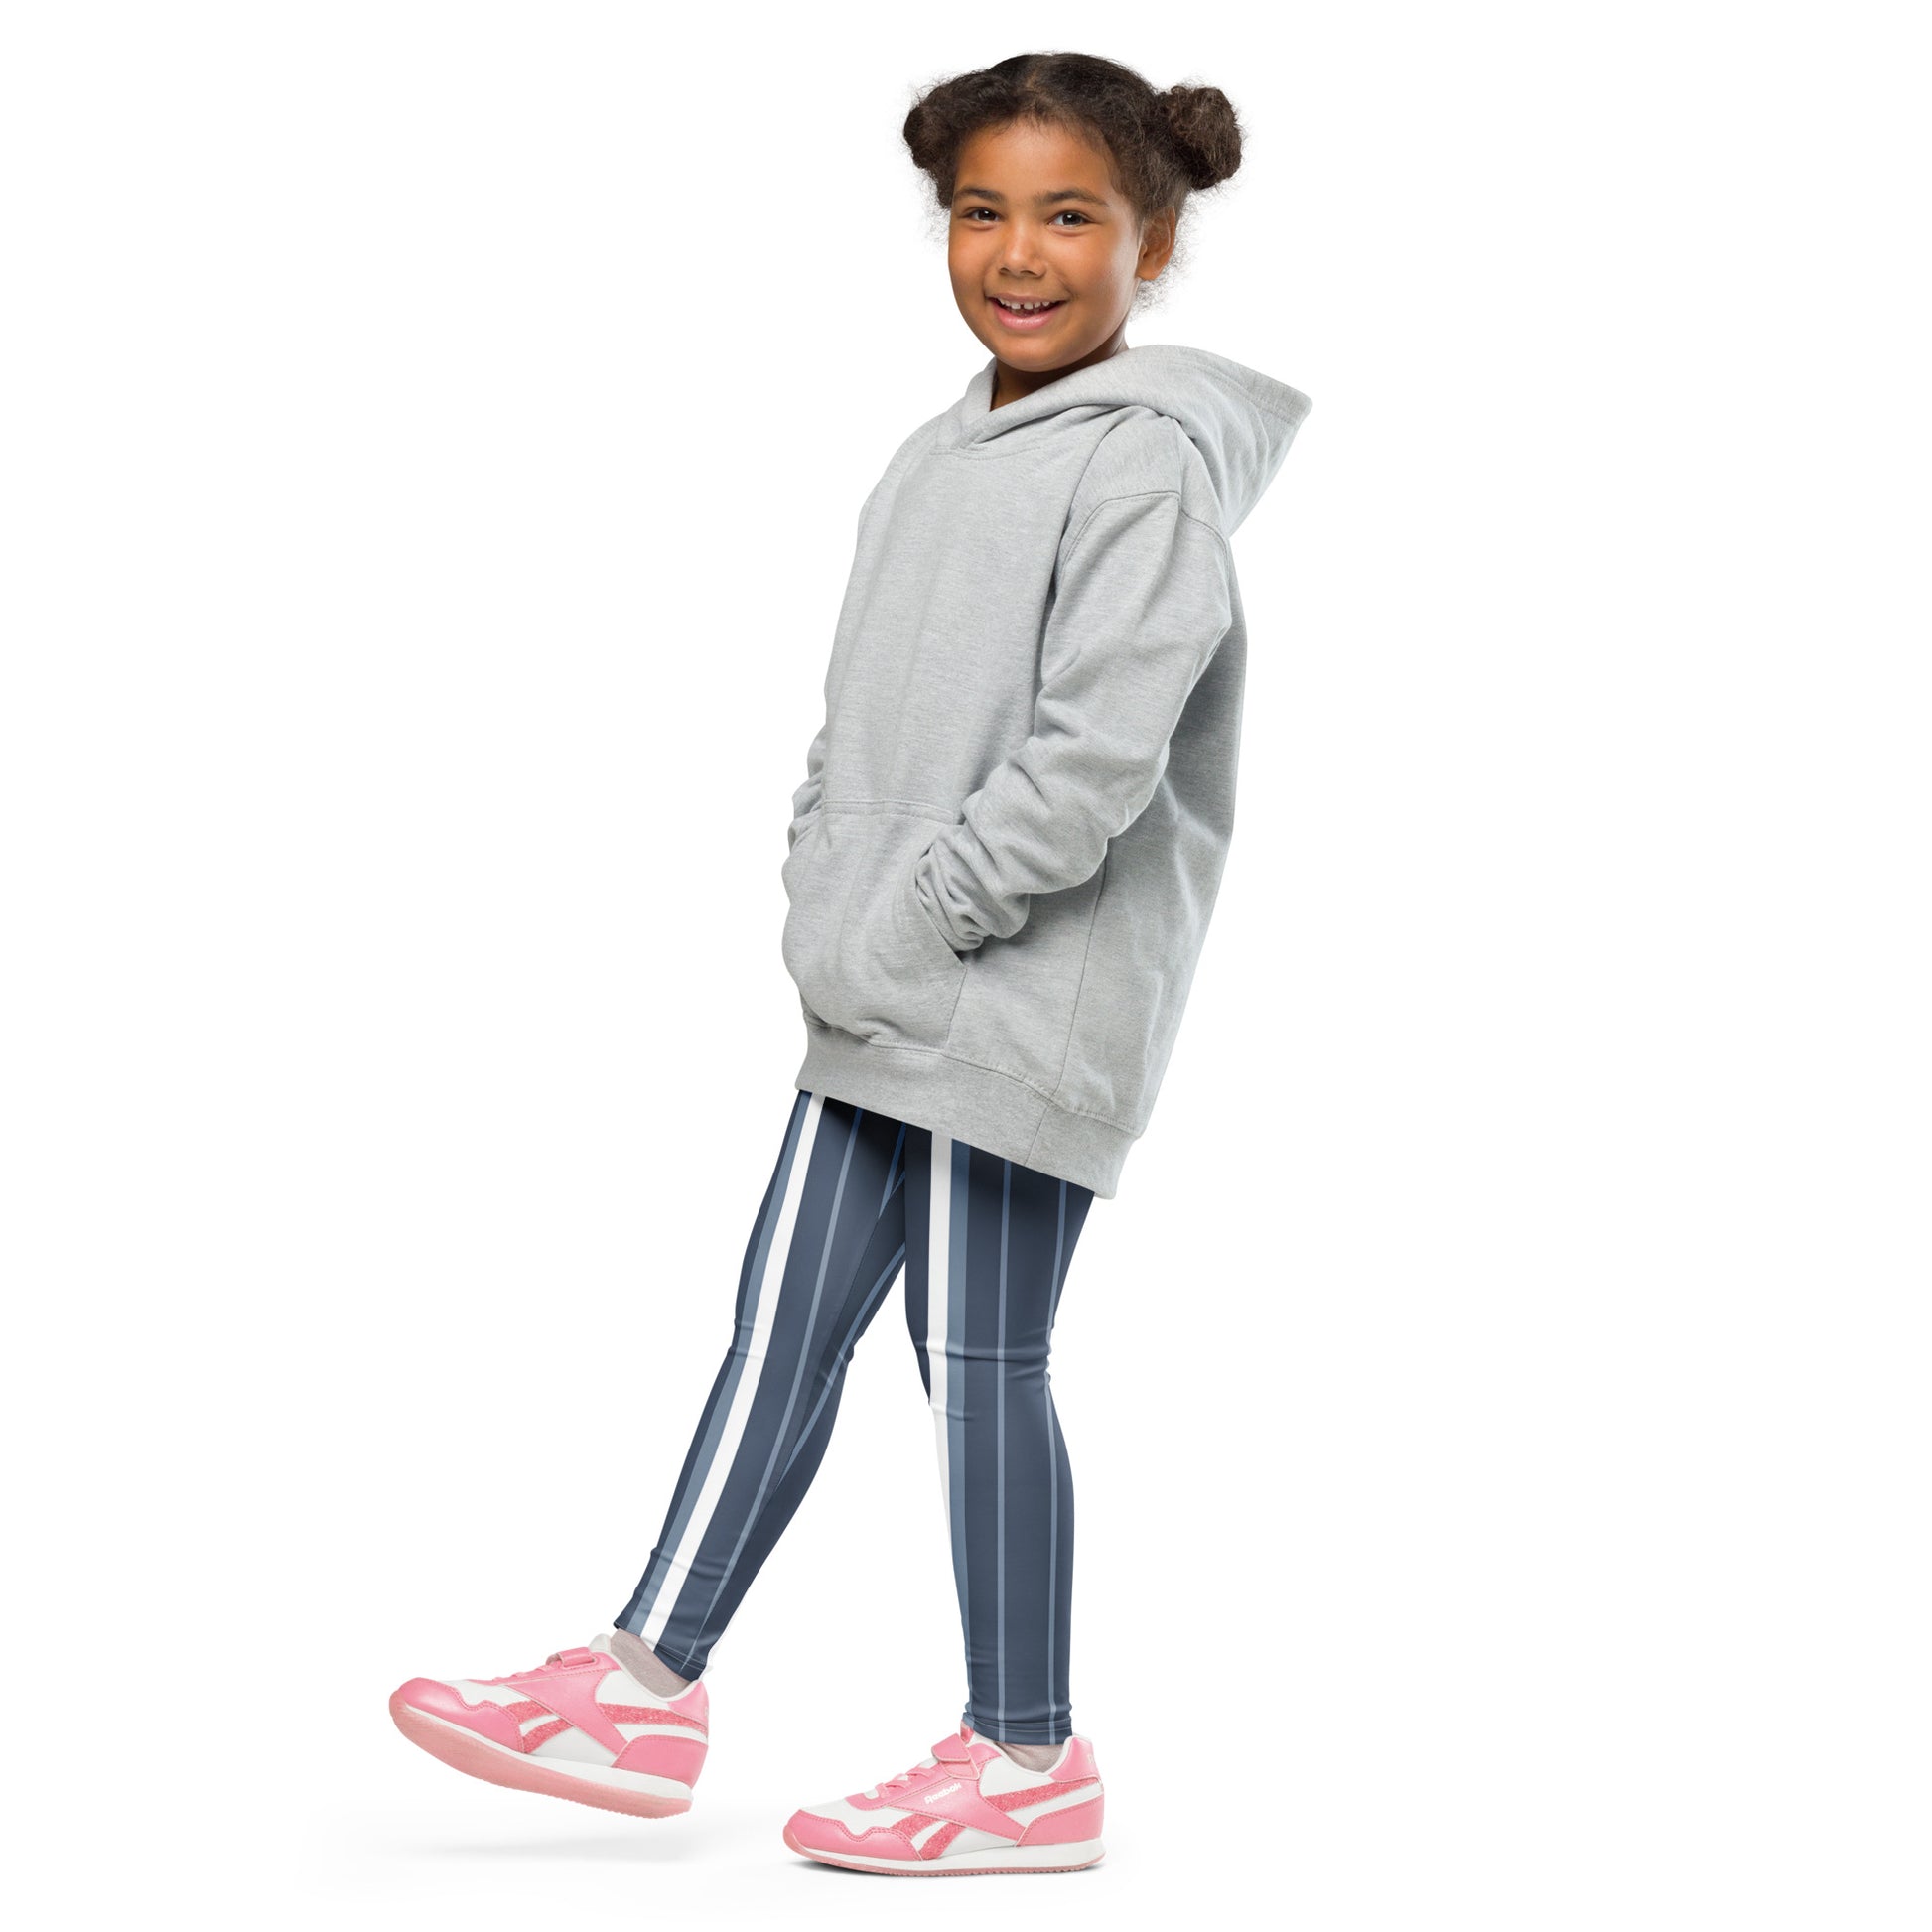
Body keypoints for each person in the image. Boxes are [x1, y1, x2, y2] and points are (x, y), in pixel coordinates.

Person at [389, 49, 1311, 1877]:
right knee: (780, 1322)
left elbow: (1089, 770)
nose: (1019, 253)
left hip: (1017, 1001)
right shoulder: (932, 454)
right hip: (882, 988)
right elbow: (855, 723)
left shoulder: (1143, 465)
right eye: (981, 212)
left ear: (1153, 240)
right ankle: (645, 1678)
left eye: (1069, 216)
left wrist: (917, 913)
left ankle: (1027, 1755)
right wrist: (827, 889)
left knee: (976, 1355)